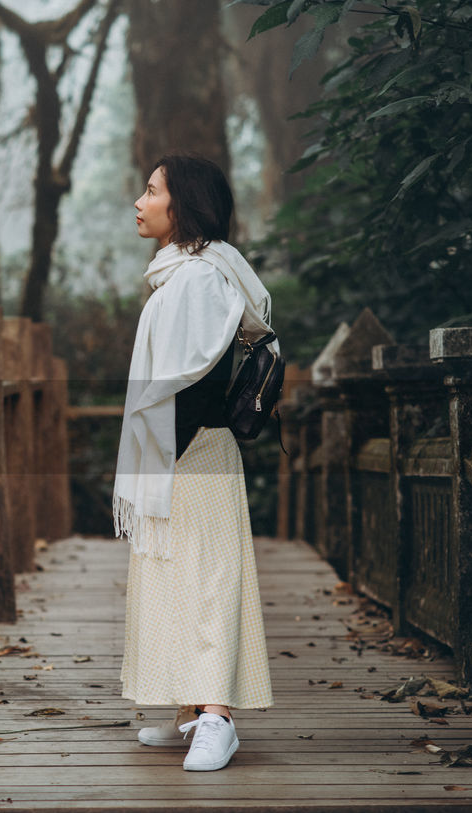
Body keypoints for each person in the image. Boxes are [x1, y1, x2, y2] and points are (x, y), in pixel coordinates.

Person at [113, 153, 277, 772]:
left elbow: (189, 376)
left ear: (181, 204)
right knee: (172, 577)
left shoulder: (203, 276)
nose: (139, 201)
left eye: (151, 191)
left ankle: (218, 717)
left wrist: (168, 454)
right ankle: (190, 711)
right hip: (175, 452)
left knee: (208, 581)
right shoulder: (182, 272)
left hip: (197, 449)